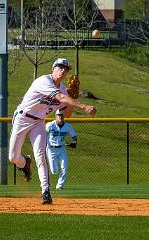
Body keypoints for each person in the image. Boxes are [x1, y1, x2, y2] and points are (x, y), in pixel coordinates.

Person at [8, 58, 96, 204]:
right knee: (13, 158)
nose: (63, 71)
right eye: (60, 67)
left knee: (41, 155)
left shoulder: (63, 90)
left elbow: (65, 115)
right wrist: (84, 107)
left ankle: (46, 192)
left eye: (66, 69)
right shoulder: (43, 81)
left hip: (39, 122)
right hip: (23, 118)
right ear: (53, 68)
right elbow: (60, 97)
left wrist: (72, 98)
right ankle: (24, 163)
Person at [46, 109, 77, 190]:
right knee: (54, 171)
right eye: (59, 115)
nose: (60, 116)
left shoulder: (67, 126)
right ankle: (47, 183)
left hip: (61, 149)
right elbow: (42, 134)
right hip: (51, 149)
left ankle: (59, 186)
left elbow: (73, 135)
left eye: (62, 115)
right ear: (55, 116)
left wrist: (74, 142)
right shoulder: (50, 125)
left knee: (65, 168)